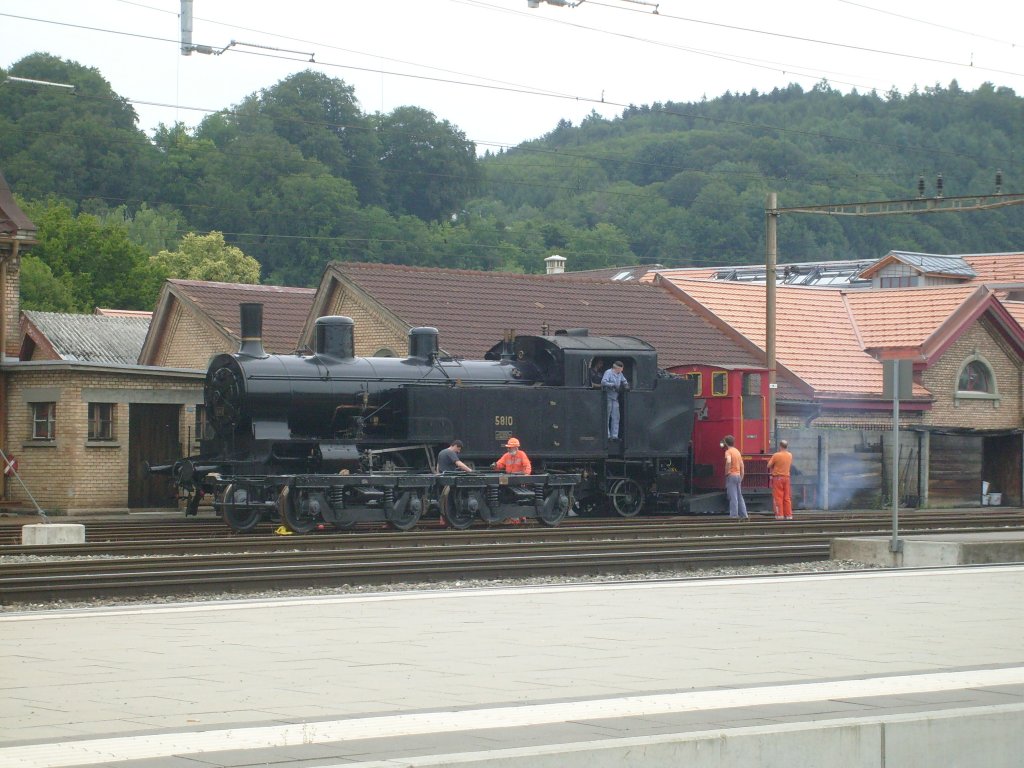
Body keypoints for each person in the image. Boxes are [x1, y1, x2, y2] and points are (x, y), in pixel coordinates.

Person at [437, 439, 471, 527]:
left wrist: (438, 474)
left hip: (442, 478)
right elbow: (459, 463)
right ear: (455, 446)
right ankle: (453, 518)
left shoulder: (441, 452)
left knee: (442, 500)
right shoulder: (450, 452)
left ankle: (442, 519)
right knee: (452, 500)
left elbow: (438, 465)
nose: (458, 452)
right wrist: (469, 470)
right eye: (458, 449)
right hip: (449, 480)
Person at [722, 434, 749, 521]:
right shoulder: (737, 451)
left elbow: (729, 461)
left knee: (733, 497)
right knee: (739, 496)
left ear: (726, 443)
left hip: (731, 476)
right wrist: (742, 476)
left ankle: (734, 516)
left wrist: (726, 472)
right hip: (738, 476)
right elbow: (742, 464)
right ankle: (744, 515)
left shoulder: (728, 452)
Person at [601, 360, 630, 439]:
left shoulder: (620, 374)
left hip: (615, 397)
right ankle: (607, 434)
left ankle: (614, 436)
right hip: (608, 397)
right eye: (621, 369)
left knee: (616, 417)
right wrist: (612, 385)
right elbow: (603, 382)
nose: (621, 371)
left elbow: (624, 381)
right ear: (616, 368)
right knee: (607, 416)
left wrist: (626, 385)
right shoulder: (608, 372)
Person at [767, 439, 794, 520]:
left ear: (780, 446)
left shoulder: (776, 455)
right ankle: (788, 515)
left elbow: (768, 465)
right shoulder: (790, 455)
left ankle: (780, 515)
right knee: (787, 497)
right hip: (787, 478)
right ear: (786, 446)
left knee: (778, 497)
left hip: (778, 478)